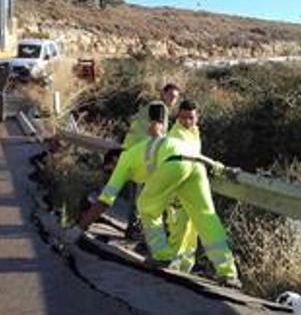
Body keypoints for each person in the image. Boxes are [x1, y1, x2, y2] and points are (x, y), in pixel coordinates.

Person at [136, 136, 243, 289]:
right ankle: (228, 273)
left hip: (178, 181)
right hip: (195, 171)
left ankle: (164, 257)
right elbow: (194, 155)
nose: (189, 120)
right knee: (207, 219)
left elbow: (108, 195)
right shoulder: (187, 134)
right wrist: (219, 167)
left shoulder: (179, 134)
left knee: (148, 207)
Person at [68, 102, 168, 235]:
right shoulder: (129, 162)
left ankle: (140, 230)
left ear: (115, 160)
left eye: (111, 169)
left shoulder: (128, 161)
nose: (112, 172)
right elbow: (105, 200)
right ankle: (138, 230)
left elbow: (105, 200)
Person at [120, 83, 181, 239]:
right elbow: (155, 131)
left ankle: (134, 227)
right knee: (143, 195)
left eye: (175, 98)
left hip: (132, 153)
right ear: (163, 94)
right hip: (141, 156)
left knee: (137, 193)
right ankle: (136, 228)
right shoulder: (159, 107)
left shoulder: (151, 106)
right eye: (171, 96)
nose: (173, 100)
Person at [164, 100, 202, 273]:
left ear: (197, 117)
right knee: (179, 229)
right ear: (178, 116)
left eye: (191, 118)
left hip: (191, 189)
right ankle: (171, 267)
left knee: (191, 230)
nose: (188, 121)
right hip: (177, 189)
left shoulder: (194, 131)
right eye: (184, 118)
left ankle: (186, 268)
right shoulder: (176, 135)